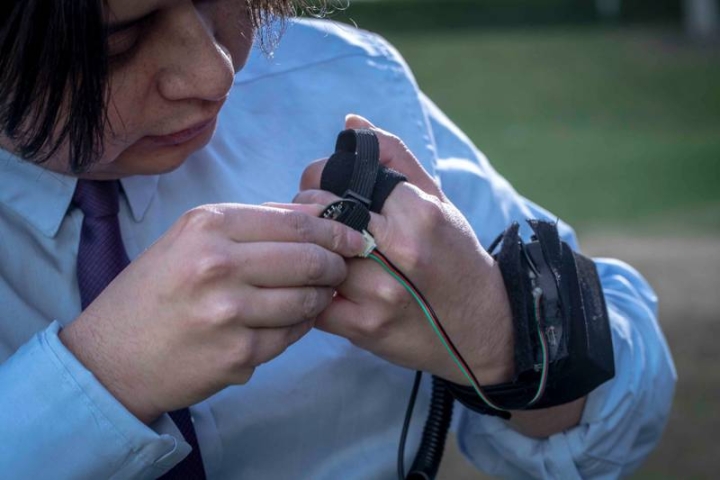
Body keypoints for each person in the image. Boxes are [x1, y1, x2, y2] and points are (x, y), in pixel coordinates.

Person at [0, 1, 675, 478]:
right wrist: (100, 380)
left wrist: (497, 328)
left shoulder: (335, 77)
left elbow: (621, 422)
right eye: (118, 39)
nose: (214, 76)